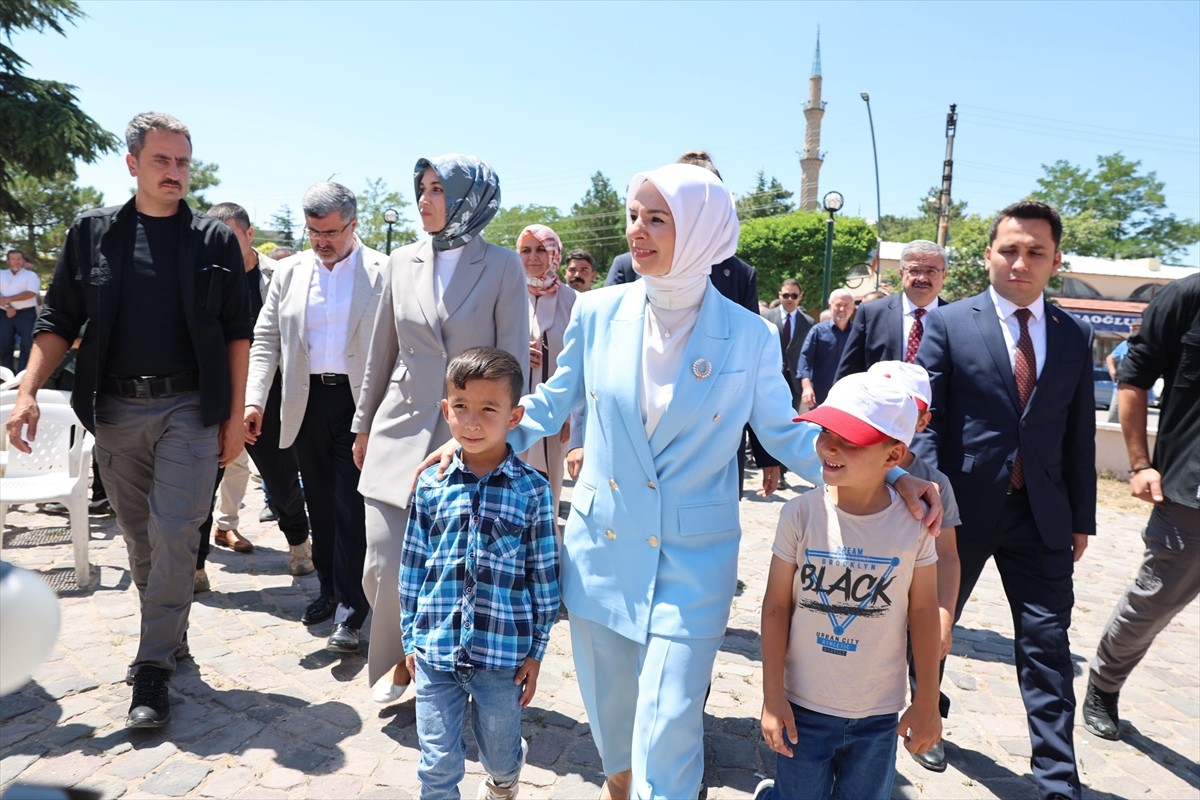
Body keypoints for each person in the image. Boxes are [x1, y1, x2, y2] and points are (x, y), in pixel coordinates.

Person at [428, 163, 942, 800]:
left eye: (657, 219)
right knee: (617, 737)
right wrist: (478, 435)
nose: (636, 231)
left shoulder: (749, 335)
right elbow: (551, 402)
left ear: (700, 230)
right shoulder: (595, 312)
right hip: (601, 555)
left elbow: (787, 435)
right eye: (634, 216)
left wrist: (898, 474)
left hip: (692, 565)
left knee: (670, 733)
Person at [5, 112, 251, 728]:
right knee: (140, 538)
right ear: (133, 163)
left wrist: (230, 418)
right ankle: (169, 632)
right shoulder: (93, 234)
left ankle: (151, 668)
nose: (174, 172)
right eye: (162, 160)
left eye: (183, 162)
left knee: (175, 532)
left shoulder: (214, 240)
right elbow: (57, 318)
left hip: (190, 408)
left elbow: (237, 336)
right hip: (112, 409)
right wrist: (28, 389)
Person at [913, 200, 1095, 800]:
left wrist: (1080, 518)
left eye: (1035, 252)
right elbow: (926, 418)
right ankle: (925, 715)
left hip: (1040, 515)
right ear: (989, 255)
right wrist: (933, 488)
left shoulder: (1074, 334)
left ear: (1055, 261)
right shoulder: (948, 324)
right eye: (1010, 250)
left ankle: (1056, 780)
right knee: (937, 625)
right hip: (957, 513)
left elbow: (1077, 435)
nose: (1021, 262)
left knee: (1047, 644)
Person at [351, 154, 529, 705]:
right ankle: (397, 659)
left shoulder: (502, 266)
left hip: (470, 435)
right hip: (398, 430)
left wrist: (493, 434)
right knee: (382, 561)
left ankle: (429, 669)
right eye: (421, 188)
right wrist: (362, 425)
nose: (425, 199)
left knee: (453, 566)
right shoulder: (400, 262)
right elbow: (381, 350)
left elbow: (512, 359)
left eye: (437, 189)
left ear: (469, 198)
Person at [755, 372, 941, 800]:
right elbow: (776, 607)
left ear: (894, 454)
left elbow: (924, 610)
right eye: (825, 431)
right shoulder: (799, 515)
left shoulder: (915, 525)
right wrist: (771, 696)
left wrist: (927, 698)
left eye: (851, 440)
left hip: (878, 716)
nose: (830, 446)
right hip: (802, 707)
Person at [402, 347, 558, 800]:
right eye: (462, 408)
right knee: (436, 763)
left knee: (500, 753)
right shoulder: (431, 485)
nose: (472, 422)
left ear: (514, 416)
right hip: (436, 650)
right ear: (445, 410)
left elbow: (543, 575)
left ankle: (504, 780)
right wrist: (409, 638)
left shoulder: (532, 490)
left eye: (489, 409)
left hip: (502, 657)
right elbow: (413, 566)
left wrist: (536, 652)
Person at [245, 182, 386, 653]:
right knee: (320, 502)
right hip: (305, 404)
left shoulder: (383, 272)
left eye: (330, 232)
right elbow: (266, 340)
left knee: (351, 504)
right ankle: (328, 590)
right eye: (313, 232)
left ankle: (351, 608)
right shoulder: (288, 272)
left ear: (353, 224)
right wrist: (254, 400)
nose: (321, 241)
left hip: (358, 404)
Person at [1083, 272, 1199, 741]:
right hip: (1190, 491)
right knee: (1154, 601)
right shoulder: (1187, 296)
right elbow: (1133, 381)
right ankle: (1103, 684)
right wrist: (1139, 464)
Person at [193, 203, 313, 588]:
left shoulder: (281, 275)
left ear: (249, 234)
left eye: (230, 236)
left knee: (281, 480)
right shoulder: (200, 275)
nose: (222, 246)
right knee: (201, 485)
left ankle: (299, 546)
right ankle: (194, 566)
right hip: (213, 397)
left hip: (270, 398)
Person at [867, 360, 962, 773]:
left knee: (924, 657)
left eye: (904, 411)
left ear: (923, 420)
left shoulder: (935, 483)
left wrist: (945, 614)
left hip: (914, 602)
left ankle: (925, 724)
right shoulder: (836, 468)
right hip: (852, 606)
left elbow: (950, 555)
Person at [516, 224, 577, 521]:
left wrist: (574, 416)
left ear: (555, 254)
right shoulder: (509, 296)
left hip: (557, 415)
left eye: (541, 249)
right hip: (511, 412)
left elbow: (583, 365)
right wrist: (515, 350)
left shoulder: (575, 302)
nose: (533, 257)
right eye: (526, 250)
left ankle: (544, 557)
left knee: (547, 491)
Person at [836, 240, 949, 379]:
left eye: (931, 271)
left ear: (944, 275)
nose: (922, 278)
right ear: (901, 273)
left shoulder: (956, 319)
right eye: (914, 270)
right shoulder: (871, 313)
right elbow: (849, 371)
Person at [763, 278, 814, 411]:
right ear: (780, 295)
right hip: (770, 377)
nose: (790, 299)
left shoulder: (808, 322)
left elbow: (808, 354)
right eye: (786, 295)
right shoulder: (767, 318)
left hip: (794, 381)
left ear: (800, 296)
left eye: (794, 295)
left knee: (791, 419)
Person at [798, 288, 854, 409]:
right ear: (830, 306)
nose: (842, 309)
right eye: (838, 305)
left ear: (853, 307)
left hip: (850, 397)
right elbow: (805, 359)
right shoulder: (817, 331)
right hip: (821, 396)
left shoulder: (858, 333)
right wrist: (806, 386)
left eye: (846, 305)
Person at [1, 249, 41, 372]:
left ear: (23, 260)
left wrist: (8, 299)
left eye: (19, 259)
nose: (16, 261)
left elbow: (31, 293)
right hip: (4, 314)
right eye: (13, 259)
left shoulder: (31, 275)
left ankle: (22, 375)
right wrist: (8, 307)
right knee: (4, 345)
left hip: (26, 314)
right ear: (8, 261)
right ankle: (6, 375)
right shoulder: (1, 274)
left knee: (27, 345)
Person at [1104, 321, 1140, 423]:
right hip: (1120, 389)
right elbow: (1110, 358)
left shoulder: (1147, 346)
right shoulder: (1125, 344)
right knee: (1112, 421)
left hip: (1137, 391)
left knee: (1131, 423)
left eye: (1138, 329)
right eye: (1133, 329)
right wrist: (1112, 371)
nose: (1135, 331)